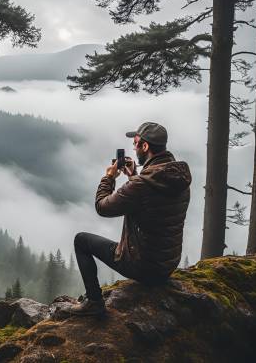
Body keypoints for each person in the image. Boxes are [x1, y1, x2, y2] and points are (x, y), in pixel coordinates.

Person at [68, 122, 192, 316]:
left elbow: (102, 207)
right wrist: (133, 175)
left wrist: (109, 177)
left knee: (81, 240)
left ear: (145, 147)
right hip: (167, 265)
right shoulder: (179, 179)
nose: (134, 149)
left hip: (144, 268)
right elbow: (152, 203)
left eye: (136, 144)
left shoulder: (141, 186)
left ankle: (94, 303)